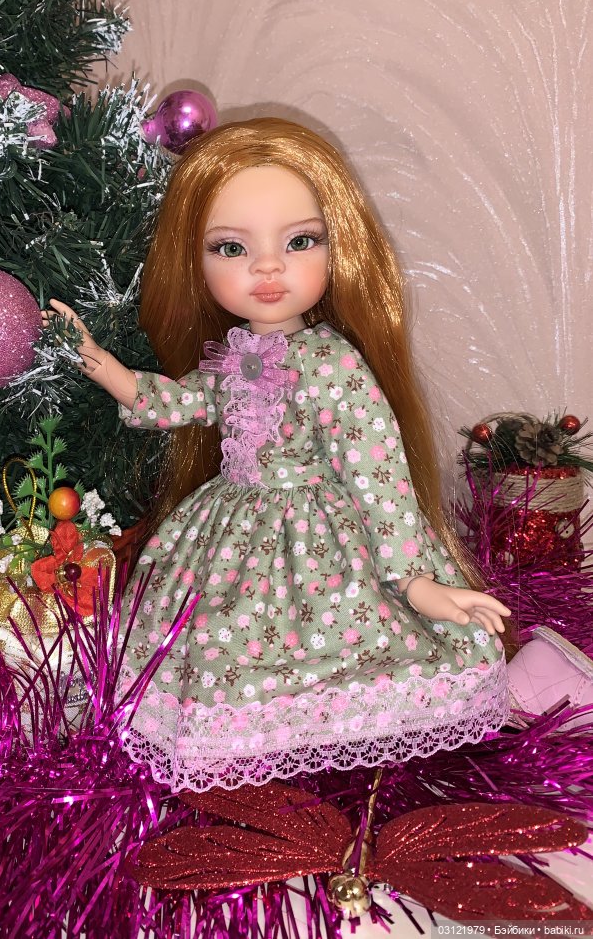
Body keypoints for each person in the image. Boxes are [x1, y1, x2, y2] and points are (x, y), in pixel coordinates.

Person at [47, 117, 511, 792]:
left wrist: (413, 581)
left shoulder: (331, 363)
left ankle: (317, 762)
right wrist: (101, 364)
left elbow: (376, 470)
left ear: (338, 244)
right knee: (212, 638)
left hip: (318, 541)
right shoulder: (237, 354)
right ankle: (241, 761)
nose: (267, 267)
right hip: (227, 529)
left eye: (299, 241)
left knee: (327, 641)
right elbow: (176, 401)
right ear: (195, 261)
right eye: (231, 247)